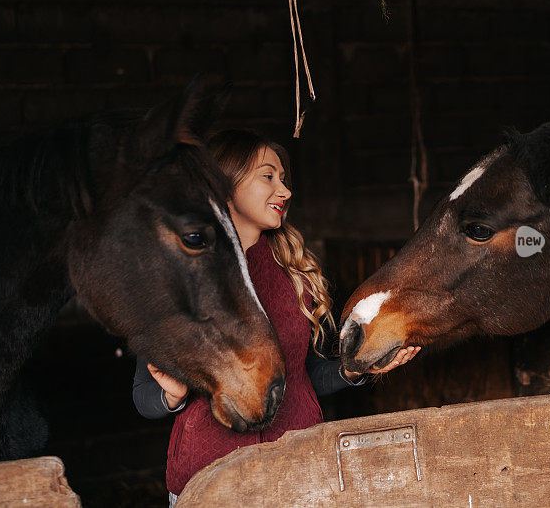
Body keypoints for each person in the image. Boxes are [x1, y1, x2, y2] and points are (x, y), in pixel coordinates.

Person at [132, 129, 420, 506]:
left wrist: (354, 369)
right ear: (223, 185)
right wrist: (174, 394)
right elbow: (143, 398)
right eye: (268, 176)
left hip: (299, 470)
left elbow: (306, 378)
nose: (284, 191)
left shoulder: (296, 276)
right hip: (210, 480)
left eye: (284, 180)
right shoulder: (179, 278)